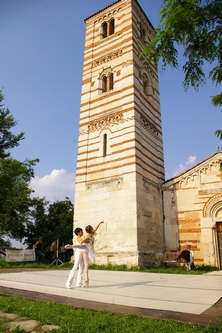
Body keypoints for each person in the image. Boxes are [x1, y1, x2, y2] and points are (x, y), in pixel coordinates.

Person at [82, 220, 104, 287]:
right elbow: (85, 240)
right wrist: (82, 241)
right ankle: (86, 278)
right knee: (86, 265)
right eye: (92, 228)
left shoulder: (91, 234)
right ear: (91, 230)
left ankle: (86, 278)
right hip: (87, 250)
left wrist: (99, 223)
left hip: (89, 250)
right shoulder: (89, 236)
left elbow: (96, 228)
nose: (93, 229)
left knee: (86, 265)